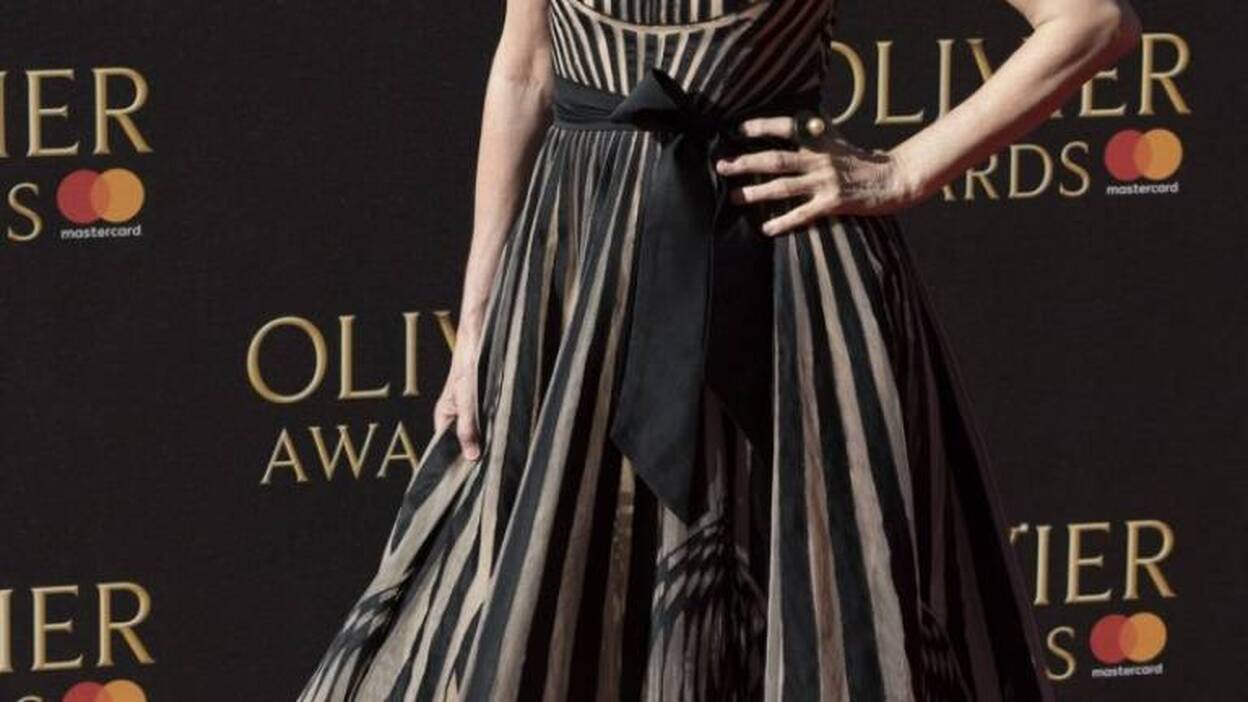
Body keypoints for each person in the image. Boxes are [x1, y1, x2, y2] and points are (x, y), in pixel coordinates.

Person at [298, 0, 1141, 699]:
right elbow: (525, 69)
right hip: (576, 283)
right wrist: (479, 316)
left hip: (779, 289)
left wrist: (903, 170)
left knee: (803, 614)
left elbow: (1092, 21)